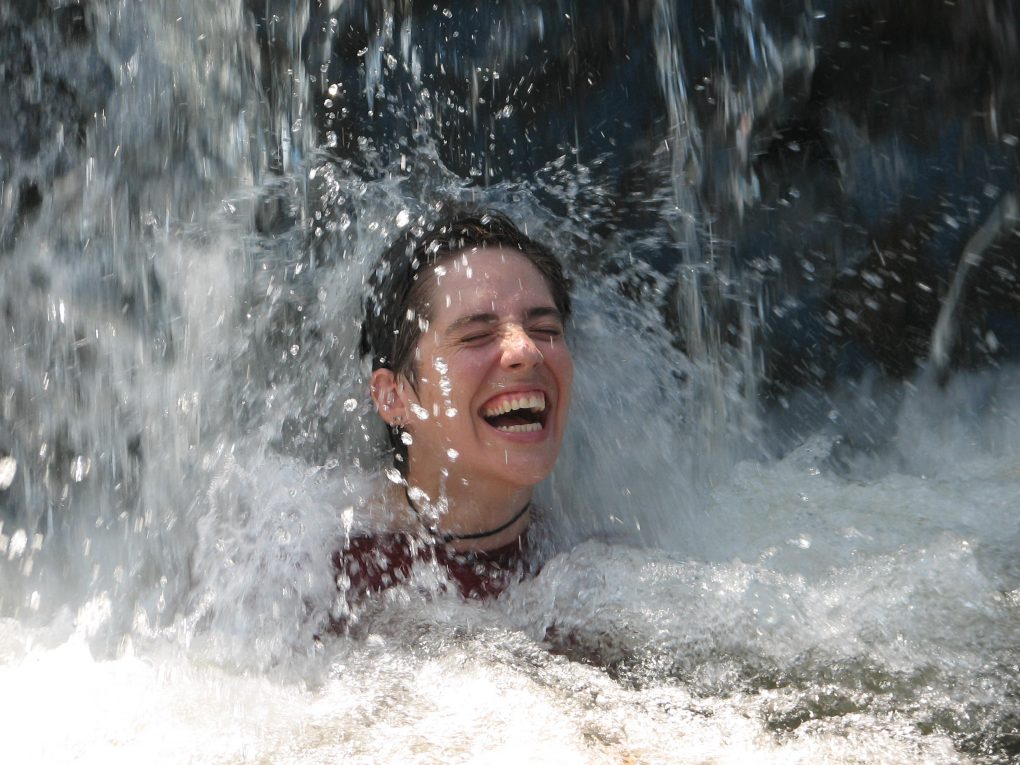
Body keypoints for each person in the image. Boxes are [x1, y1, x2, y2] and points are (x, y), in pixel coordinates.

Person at [333, 208, 574, 613]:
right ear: (393, 397)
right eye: (477, 335)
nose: (527, 351)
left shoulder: (591, 561)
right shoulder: (324, 574)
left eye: (546, 331)